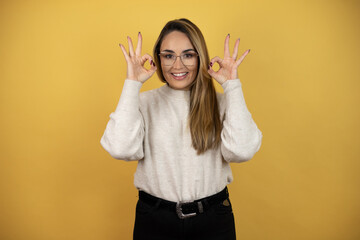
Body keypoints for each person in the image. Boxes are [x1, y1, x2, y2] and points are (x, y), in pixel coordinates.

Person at [100, 18, 262, 240]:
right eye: (168, 55)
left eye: (188, 55)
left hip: (213, 219)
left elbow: (243, 151)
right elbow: (120, 148)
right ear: (158, 59)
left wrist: (232, 86)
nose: (177, 65)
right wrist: (132, 83)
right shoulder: (143, 102)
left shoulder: (222, 102)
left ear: (200, 57)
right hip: (155, 220)